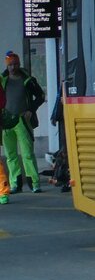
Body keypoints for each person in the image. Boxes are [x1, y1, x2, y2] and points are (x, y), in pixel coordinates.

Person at [1, 50, 46, 193]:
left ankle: (34, 182)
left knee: (27, 153)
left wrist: (31, 110)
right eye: (10, 65)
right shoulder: (2, 80)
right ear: (7, 66)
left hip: (22, 120)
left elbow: (40, 96)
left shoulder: (27, 80)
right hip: (6, 121)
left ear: (19, 64)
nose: (13, 67)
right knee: (11, 155)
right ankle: (16, 183)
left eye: (15, 64)